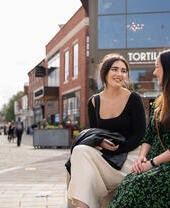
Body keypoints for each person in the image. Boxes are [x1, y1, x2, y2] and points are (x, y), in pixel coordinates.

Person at [67, 53, 146, 208]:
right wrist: (99, 142)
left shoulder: (134, 99)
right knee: (79, 151)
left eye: (123, 71)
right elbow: (95, 132)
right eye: (114, 69)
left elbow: (139, 135)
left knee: (83, 168)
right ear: (105, 73)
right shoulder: (94, 102)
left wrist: (117, 149)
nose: (119, 74)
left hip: (129, 157)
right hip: (105, 156)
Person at [108, 50, 170, 208]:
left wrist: (151, 163)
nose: (154, 72)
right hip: (154, 161)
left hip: (164, 165)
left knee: (137, 186)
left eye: (157, 67)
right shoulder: (158, 101)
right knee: (128, 183)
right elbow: (148, 136)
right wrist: (142, 157)